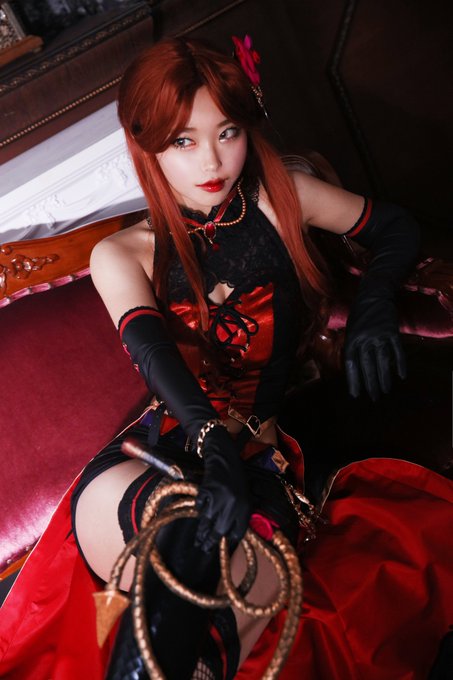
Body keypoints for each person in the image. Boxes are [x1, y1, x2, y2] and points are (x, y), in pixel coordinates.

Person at [0, 35, 452, 680]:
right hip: (150, 460)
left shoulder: (282, 199)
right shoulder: (123, 253)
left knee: (197, 630)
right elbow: (154, 354)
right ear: (147, 146)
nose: (211, 161)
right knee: (181, 541)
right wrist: (211, 443)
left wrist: (376, 301)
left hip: (260, 468)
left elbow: (394, 227)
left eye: (227, 132)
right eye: (183, 141)